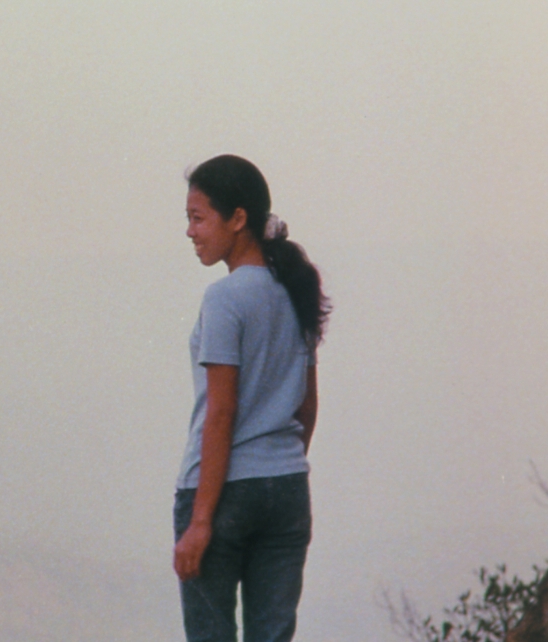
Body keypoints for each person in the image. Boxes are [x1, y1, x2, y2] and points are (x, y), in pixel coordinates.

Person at [173, 155, 330, 642]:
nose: (190, 232)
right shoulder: (294, 291)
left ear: (238, 219)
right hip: (287, 487)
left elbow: (221, 412)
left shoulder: (225, 298)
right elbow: (307, 406)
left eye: (198, 218)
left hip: (221, 494)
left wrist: (201, 521)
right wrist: (277, 465)